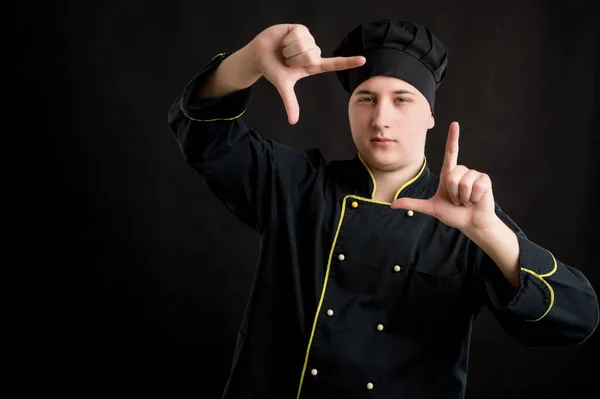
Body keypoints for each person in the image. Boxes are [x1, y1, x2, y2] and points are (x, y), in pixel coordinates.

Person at [167, 19, 598, 399]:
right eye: (366, 98)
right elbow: (199, 128)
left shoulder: (469, 215)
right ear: (350, 109)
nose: (381, 119)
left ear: (431, 114)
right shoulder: (296, 185)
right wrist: (250, 60)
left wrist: (490, 232)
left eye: (402, 99)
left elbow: (576, 318)